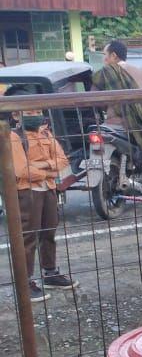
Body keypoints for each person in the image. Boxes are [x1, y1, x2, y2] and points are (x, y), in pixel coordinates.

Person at [10, 106, 77, 302]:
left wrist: (42, 167)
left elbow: (63, 161)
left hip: (47, 189)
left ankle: (50, 273)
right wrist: (50, 168)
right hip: (26, 191)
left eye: (36, 112)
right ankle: (25, 282)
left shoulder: (46, 133)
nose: (34, 116)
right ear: (16, 114)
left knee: (49, 231)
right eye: (28, 112)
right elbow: (22, 170)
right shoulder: (14, 137)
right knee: (28, 236)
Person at [94, 39, 142, 183]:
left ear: (114, 56)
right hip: (137, 126)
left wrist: (109, 105)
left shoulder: (102, 73)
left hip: (111, 126)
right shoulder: (141, 71)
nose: (103, 58)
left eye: (105, 54)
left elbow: (93, 99)